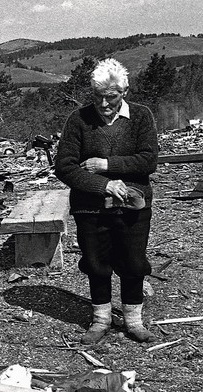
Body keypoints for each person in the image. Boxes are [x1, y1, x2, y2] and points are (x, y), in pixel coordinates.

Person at [54, 58, 159, 344]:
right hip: (91, 207)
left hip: (133, 206)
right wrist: (104, 185)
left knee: (133, 262)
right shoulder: (78, 119)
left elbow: (148, 161)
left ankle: (133, 321)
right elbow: (64, 166)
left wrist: (105, 165)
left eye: (111, 97)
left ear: (124, 92)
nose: (103, 104)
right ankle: (100, 319)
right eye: (98, 97)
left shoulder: (140, 116)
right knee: (96, 262)